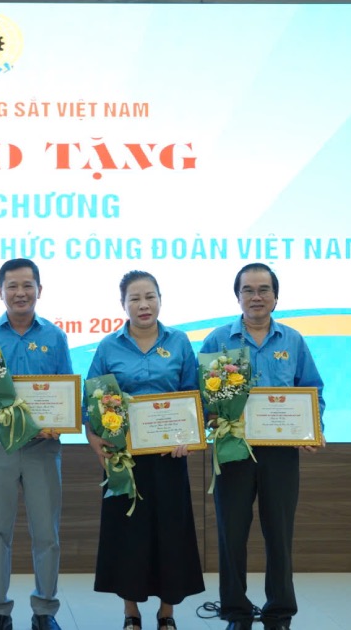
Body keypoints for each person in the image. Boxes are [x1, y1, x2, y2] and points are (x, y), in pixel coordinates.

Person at [200, 263, 325, 630]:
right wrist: (210, 416)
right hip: (232, 450)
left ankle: (279, 612)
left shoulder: (292, 340)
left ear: (275, 296)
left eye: (264, 289)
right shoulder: (217, 341)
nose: (256, 297)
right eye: (248, 290)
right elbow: (201, 396)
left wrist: (314, 428)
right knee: (231, 535)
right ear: (237, 296)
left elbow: (313, 390)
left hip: (280, 452)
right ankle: (237, 613)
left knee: (279, 533)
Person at [83, 270, 204, 630]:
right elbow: (90, 403)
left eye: (149, 296)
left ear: (160, 300)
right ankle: (130, 613)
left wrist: (189, 437)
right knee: (128, 535)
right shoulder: (108, 347)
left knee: (172, 533)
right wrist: (95, 441)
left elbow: (192, 396)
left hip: (170, 458)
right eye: (134, 298)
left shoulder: (179, 342)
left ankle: (167, 614)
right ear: (123, 305)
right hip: (125, 459)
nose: (143, 304)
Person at [0, 258, 72, 630]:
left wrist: (59, 422)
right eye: (12, 286)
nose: (20, 293)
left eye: (27, 285)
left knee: (46, 534)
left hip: (42, 449)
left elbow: (65, 388)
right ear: (0, 291)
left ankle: (44, 611)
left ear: (40, 289)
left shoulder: (54, 337)